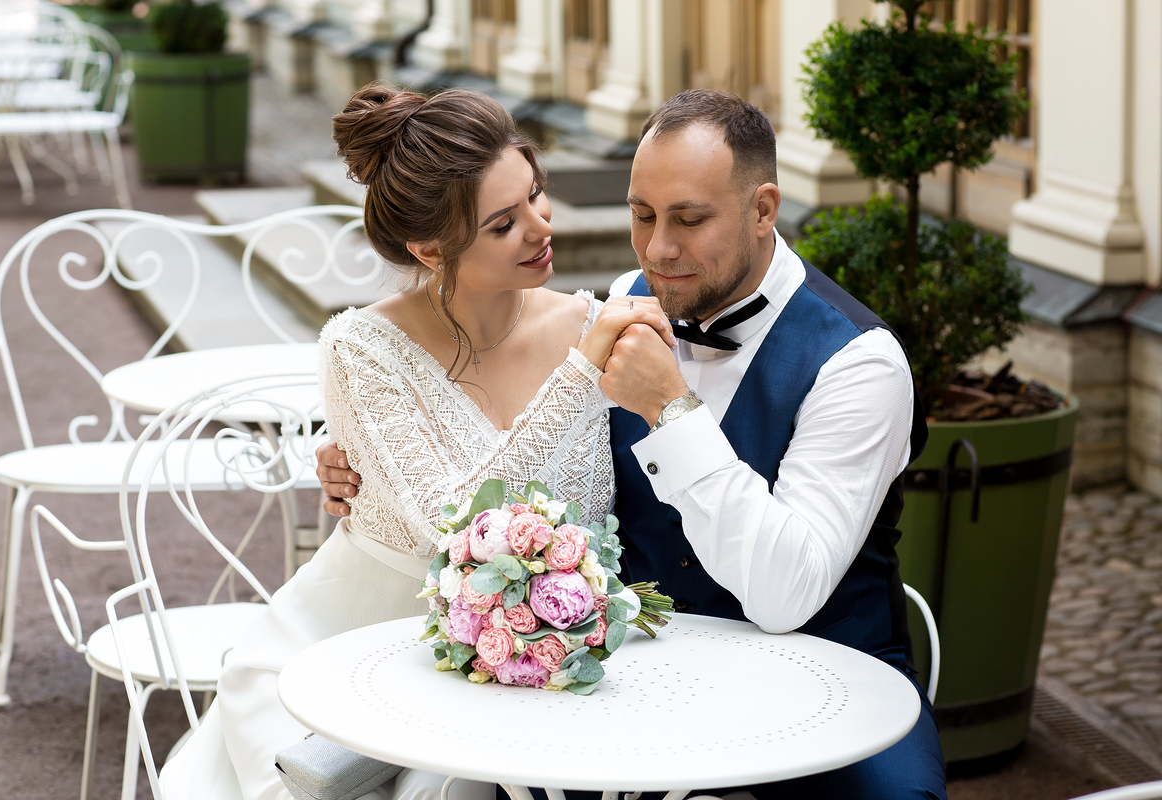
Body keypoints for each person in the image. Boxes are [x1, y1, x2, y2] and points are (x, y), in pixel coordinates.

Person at [317, 89, 946, 799]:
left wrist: (671, 409)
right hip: (630, 677)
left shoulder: (859, 365)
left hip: (825, 680)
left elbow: (784, 596)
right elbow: (514, 473)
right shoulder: (625, 301)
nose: (658, 249)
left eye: (689, 219)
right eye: (641, 215)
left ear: (763, 209)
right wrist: (362, 473)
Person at [158, 84, 673, 800]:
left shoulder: (597, 326)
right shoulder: (361, 347)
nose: (540, 226)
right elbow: (448, 526)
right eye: (503, 224)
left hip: (538, 659)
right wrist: (577, 372)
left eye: (536, 193)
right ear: (430, 248)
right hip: (349, 645)